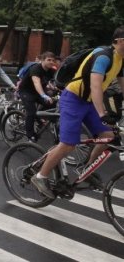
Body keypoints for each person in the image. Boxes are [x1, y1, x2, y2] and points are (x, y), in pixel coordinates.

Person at [31, 28, 124, 198]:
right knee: (68, 143)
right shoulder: (104, 57)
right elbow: (95, 86)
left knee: (108, 136)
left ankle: (86, 168)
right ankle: (40, 176)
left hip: (89, 102)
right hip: (73, 99)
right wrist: (102, 114)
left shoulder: (121, 59)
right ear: (119, 41)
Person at [17, 52, 56, 142]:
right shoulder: (36, 68)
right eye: (49, 60)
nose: (51, 62)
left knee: (52, 105)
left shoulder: (51, 70)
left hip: (38, 92)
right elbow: (36, 82)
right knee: (31, 112)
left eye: (53, 60)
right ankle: (30, 135)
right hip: (26, 91)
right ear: (42, 60)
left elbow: (56, 82)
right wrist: (43, 95)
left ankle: (40, 122)